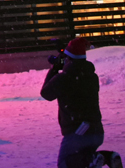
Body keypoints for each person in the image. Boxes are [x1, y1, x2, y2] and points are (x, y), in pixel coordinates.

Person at [41, 37, 104, 168]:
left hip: (77, 132)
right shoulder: (92, 77)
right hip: (96, 130)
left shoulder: (64, 78)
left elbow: (46, 93)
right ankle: (99, 158)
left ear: (69, 59)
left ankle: (96, 158)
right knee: (83, 164)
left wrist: (54, 68)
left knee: (65, 163)